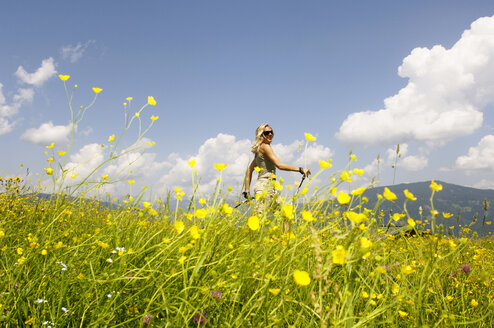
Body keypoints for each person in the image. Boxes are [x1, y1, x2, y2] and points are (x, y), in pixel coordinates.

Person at [244, 123, 311, 212]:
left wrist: (247, 192)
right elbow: (279, 165)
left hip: (269, 187)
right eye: (267, 133)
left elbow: (249, 170)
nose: (270, 134)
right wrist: (300, 169)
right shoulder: (265, 147)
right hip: (264, 187)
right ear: (261, 135)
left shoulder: (259, 150)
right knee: (257, 220)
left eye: (271, 132)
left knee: (285, 215)